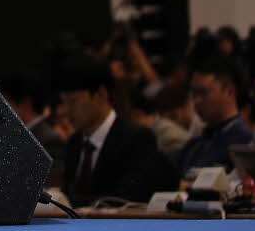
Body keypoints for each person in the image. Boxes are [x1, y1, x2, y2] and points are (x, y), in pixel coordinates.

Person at [56, 57, 177, 205]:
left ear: (101, 94)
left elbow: (125, 199)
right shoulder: (74, 144)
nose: (65, 110)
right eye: (63, 102)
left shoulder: (136, 139)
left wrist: (68, 203)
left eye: (73, 101)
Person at [178, 55, 254, 172]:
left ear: (229, 92)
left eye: (203, 93)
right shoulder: (194, 144)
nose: (196, 101)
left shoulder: (244, 144)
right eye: (193, 94)